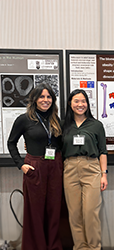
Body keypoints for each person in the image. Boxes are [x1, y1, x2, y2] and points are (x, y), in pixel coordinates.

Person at [7, 83, 63, 250]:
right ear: (34, 99)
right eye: (42, 97)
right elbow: (11, 143)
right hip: (35, 167)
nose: (45, 100)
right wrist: (21, 165)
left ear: (53, 100)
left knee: (54, 209)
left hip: (55, 166)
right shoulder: (24, 119)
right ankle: (37, 246)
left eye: (49, 97)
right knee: (35, 211)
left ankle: (53, 246)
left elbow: (59, 143)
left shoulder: (56, 119)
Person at [61, 89, 108, 250]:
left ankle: (94, 247)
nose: (80, 104)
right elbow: (52, 145)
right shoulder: (63, 125)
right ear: (70, 104)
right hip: (69, 168)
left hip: (91, 168)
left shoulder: (96, 125)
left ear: (87, 104)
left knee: (90, 213)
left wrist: (104, 174)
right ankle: (80, 247)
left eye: (83, 101)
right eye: (76, 101)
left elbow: (103, 151)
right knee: (74, 214)